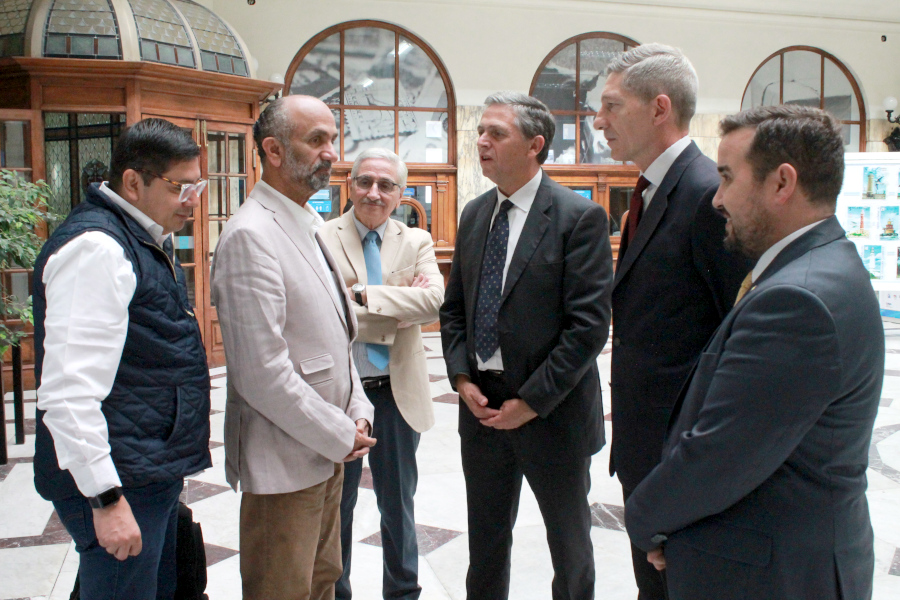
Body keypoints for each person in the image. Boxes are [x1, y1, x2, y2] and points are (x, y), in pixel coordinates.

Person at [625, 105, 884, 600]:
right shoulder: (822, 265)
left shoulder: (798, 300)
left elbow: (720, 455)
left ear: (781, 183)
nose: (717, 199)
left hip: (769, 570)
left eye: (726, 178)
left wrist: (645, 521)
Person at [440, 92, 614, 600]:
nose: (481, 141)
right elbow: (455, 310)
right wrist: (462, 377)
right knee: (486, 546)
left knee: (570, 547)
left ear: (536, 144)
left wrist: (530, 403)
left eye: (496, 132)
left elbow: (587, 328)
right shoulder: (475, 214)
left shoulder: (578, 218)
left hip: (553, 415)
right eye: (480, 132)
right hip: (483, 412)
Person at [592, 43, 750, 599]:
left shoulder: (709, 195)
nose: (598, 120)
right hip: (649, 452)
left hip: (684, 458)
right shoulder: (653, 189)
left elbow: (738, 339)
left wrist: (698, 466)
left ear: (659, 108)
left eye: (611, 105)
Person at [32, 118, 211, 600]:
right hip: (119, 478)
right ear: (134, 181)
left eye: (197, 186)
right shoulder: (98, 248)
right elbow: (68, 393)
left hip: (141, 464)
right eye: (181, 187)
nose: (192, 201)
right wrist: (105, 498)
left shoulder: (138, 236)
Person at [210, 95, 376, 600]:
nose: (332, 152)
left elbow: (334, 334)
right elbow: (262, 372)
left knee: (323, 581)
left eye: (333, 138)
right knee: (282, 590)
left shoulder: (303, 222)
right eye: (317, 140)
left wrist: (358, 409)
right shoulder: (250, 234)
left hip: (326, 452)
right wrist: (338, 432)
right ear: (273, 151)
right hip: (283, 463)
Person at [321, 148, 444, 600]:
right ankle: (338, 593)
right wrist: (397, 305)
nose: (374, 193)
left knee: (398, 506)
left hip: (396, 394)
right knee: (339, 506)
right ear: (349, 184)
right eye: (365, 182)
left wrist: (361, 297)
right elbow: (326, 310)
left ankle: (403, 593)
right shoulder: (321, 237)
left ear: (400, 194)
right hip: (341, 396)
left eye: (386, 185)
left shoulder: (416, 242)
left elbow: (433, 302)